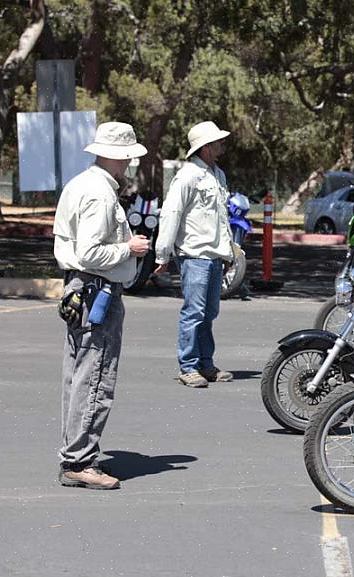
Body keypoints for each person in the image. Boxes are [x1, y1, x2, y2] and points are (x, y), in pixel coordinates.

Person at [53, 121, 150, 490]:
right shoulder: (100, 194)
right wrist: (129, 248)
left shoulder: (80, 184)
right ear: (118, 157)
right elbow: (90, 252)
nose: (127, 166)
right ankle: (80, 460)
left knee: (77, 373)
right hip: (98, 289)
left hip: (81, 288)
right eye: (126, 158)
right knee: (95, 375)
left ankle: (74, 453)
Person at [154, 121, 235, 388]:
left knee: (209, 312)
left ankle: (205, 363)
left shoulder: (217, 174)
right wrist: (162, 254)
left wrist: (228, 253)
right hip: (194, 254)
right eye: (217, 143)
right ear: (205, 147)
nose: (221, 147)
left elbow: (221, 218)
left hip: (213, 254)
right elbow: (171, 213)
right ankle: (188, 366)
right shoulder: (188, 176)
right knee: (195, 311)